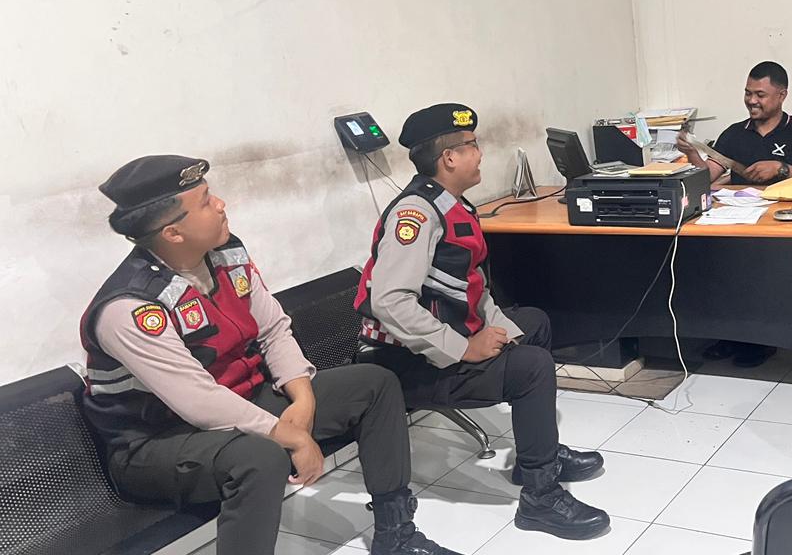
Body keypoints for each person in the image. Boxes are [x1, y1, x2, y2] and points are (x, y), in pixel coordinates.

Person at [81, 155, 458, 555]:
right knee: (259, 457)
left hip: (241, 402)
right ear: (173, 233)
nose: (221, 204)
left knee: (374, 384)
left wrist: (303, 398)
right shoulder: (131, 307)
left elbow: (273, 329)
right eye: (206, 201)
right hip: (156, 443)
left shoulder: (226, 254)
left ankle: (396, 535)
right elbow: (197, 400)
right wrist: (287, 434)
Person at [353, 104, 610, 540]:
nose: (480, 153)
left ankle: (536, 458)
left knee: (533, 324)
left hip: (438, 339)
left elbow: (472, 286)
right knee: (533, 368)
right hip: (404, 361)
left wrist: (503, 331)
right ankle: (540, 498)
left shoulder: (451, 204)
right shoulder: (416, 215)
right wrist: (464, 348)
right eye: (472, 145)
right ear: (449, 158)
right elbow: (389, 301)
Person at [676, 60, 792, 368]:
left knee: (763, 263)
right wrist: (692, 153)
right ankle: (731, 334)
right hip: (739, 219)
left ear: (782, 95)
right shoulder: (734, 134)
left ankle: (760, 339)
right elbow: (706, 177)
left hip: (787, 223)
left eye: (760, 94)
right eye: (748, 93)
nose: (752, 101)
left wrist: (781, 168)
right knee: (713, 258)